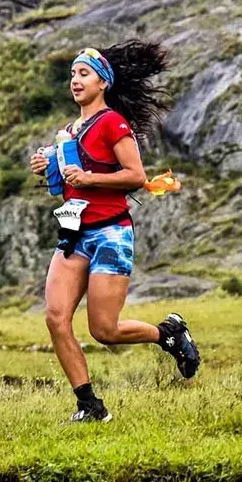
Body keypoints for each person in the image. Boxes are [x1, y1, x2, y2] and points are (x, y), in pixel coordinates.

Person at [29, 40, 200, 423]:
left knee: (105, 330)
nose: (75, 80)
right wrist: (46, 165)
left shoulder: (112, 123)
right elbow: (62, 186)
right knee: (56, 318)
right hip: (74, 234)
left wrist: (89, 178)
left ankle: (168, 334)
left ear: (102, 81)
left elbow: (136, 177)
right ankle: (90, 406)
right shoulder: (67, 131)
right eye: (72, 73)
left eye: (83, 73)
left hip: (110, 234)